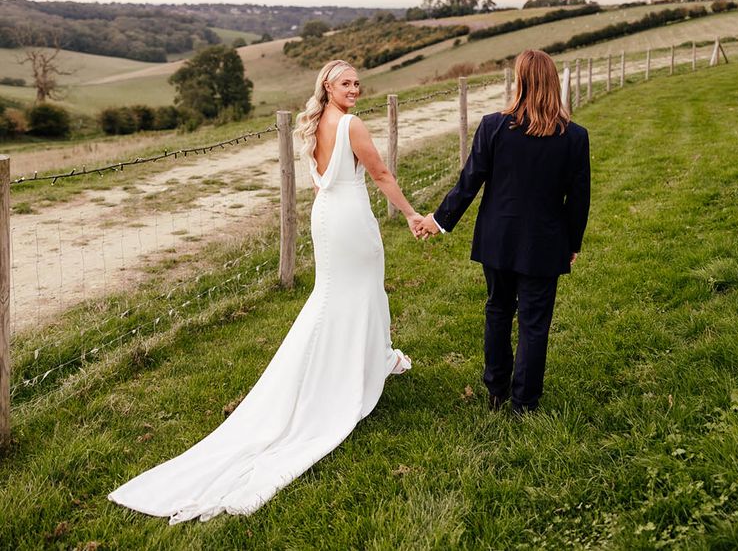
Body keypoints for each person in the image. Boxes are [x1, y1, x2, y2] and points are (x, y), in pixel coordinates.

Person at [109, 59, 423, 523]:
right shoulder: (352, 124)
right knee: (355, 294)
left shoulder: (314, 124)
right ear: (328, 87)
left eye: (357, 82)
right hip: (351, 219)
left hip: (326, 216)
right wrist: (414, 214)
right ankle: (348, 374)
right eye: (345, 83)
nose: (354, 89)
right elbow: (380, 175)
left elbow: (322, 182)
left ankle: (372, 358)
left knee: (339, 296)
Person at [417, 49, 590, 414]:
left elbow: (469, 183)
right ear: (553, 82)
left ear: (520, 81)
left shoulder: (493, 126)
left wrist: (439, 219)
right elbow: (578, 199)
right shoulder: (574, 136)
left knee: (498, 308)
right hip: (544, 242)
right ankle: (524, 401)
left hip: (498, 238)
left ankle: (497, 388)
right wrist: (571, 243)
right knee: (534, 321)